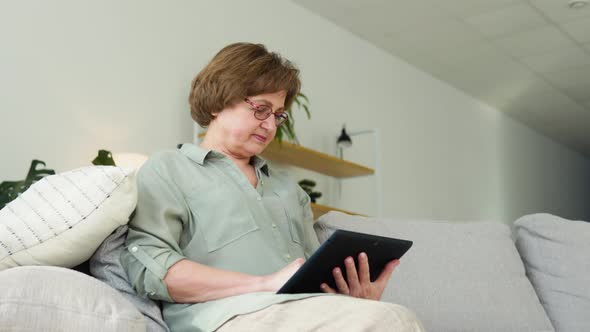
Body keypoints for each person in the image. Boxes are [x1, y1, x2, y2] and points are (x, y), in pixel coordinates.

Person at [121, 42, 424, 332]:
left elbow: (310, 276)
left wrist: (354, 301)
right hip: (228, 317)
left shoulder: (289, 190)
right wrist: (264, 284)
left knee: (383, 318)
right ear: (217, 102)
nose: (270, 125)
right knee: (395, 321)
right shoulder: (168, 169)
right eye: (261, 109)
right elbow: (150, 268)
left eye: (278, 115)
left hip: (305, 314)